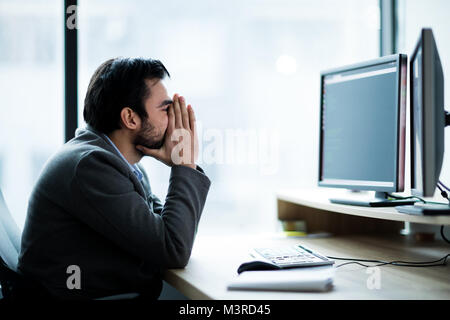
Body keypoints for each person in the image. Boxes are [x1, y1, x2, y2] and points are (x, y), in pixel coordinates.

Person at [17, 57, 211, 300]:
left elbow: (168, 231)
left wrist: (183, 165)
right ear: (130, 118)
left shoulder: (115, 161)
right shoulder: (91, 166)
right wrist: (185, 165)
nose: (174, 120)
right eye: (165, 109)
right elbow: (173, 248)